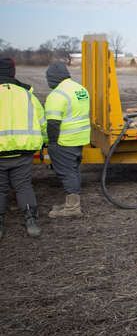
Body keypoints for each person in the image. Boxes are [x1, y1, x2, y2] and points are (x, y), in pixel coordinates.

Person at [0, 57, 45, 238]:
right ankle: (31, 221)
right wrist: (45, 141)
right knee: (23, 186)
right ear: (13, 72)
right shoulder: (27, 94)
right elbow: (41, 122)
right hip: (23, 151)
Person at [45, 62, 90, 218]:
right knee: (73, 170)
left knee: (67, 173)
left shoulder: (57, 95)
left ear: (53, 78)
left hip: (64, 140)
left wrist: (52, 142)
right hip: (80, 138)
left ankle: (73, 208)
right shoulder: (80, 89)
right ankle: (71, 203)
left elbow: (52, 123)